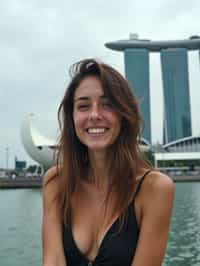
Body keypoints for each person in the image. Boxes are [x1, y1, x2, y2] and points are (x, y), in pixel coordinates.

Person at [42, 59, 175, 266]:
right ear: (72, 117)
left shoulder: (154, 189)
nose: (94, 115)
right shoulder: (56, 182)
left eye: (107, 105)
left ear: (124, 115)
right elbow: (53, 261)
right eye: (83, 106)